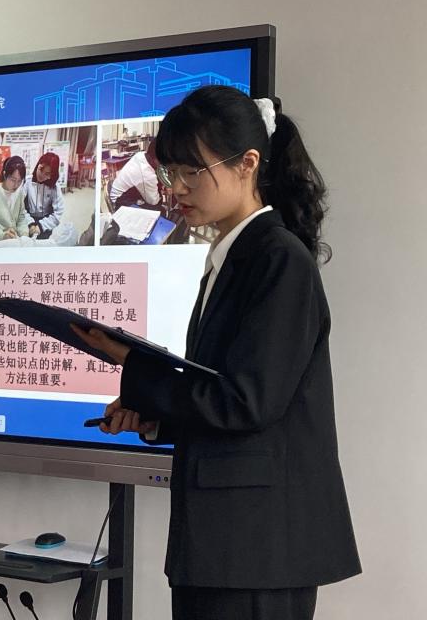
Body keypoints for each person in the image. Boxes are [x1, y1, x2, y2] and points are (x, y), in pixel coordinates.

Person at [75, 86, 360, 620]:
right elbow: (223, 389)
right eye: (170, 172)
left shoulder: (278, 258)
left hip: (257, 545)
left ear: (247, 164)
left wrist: (132, 364)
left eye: (193, 171)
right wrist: (153, 417)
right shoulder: (232, 255)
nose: (177, 188)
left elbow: (247, 401)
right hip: (224, 542)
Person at [24, 152, 65, 239]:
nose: (41, 175)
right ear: (38, 166)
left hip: (47, 221)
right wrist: (30, 223)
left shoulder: (54, 187)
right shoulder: (27, 182)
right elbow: (20, 207)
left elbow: (58, 212)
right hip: (29, 219)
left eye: (47, 174)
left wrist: (41, 226)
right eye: (40, 169)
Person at [108, 142, 161, 210]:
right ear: (157, 159)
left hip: (121, 191)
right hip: (120, 201)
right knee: (158, 209)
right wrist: (161, 191)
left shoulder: (141, 154)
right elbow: (153, 201)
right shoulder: (147, 175)